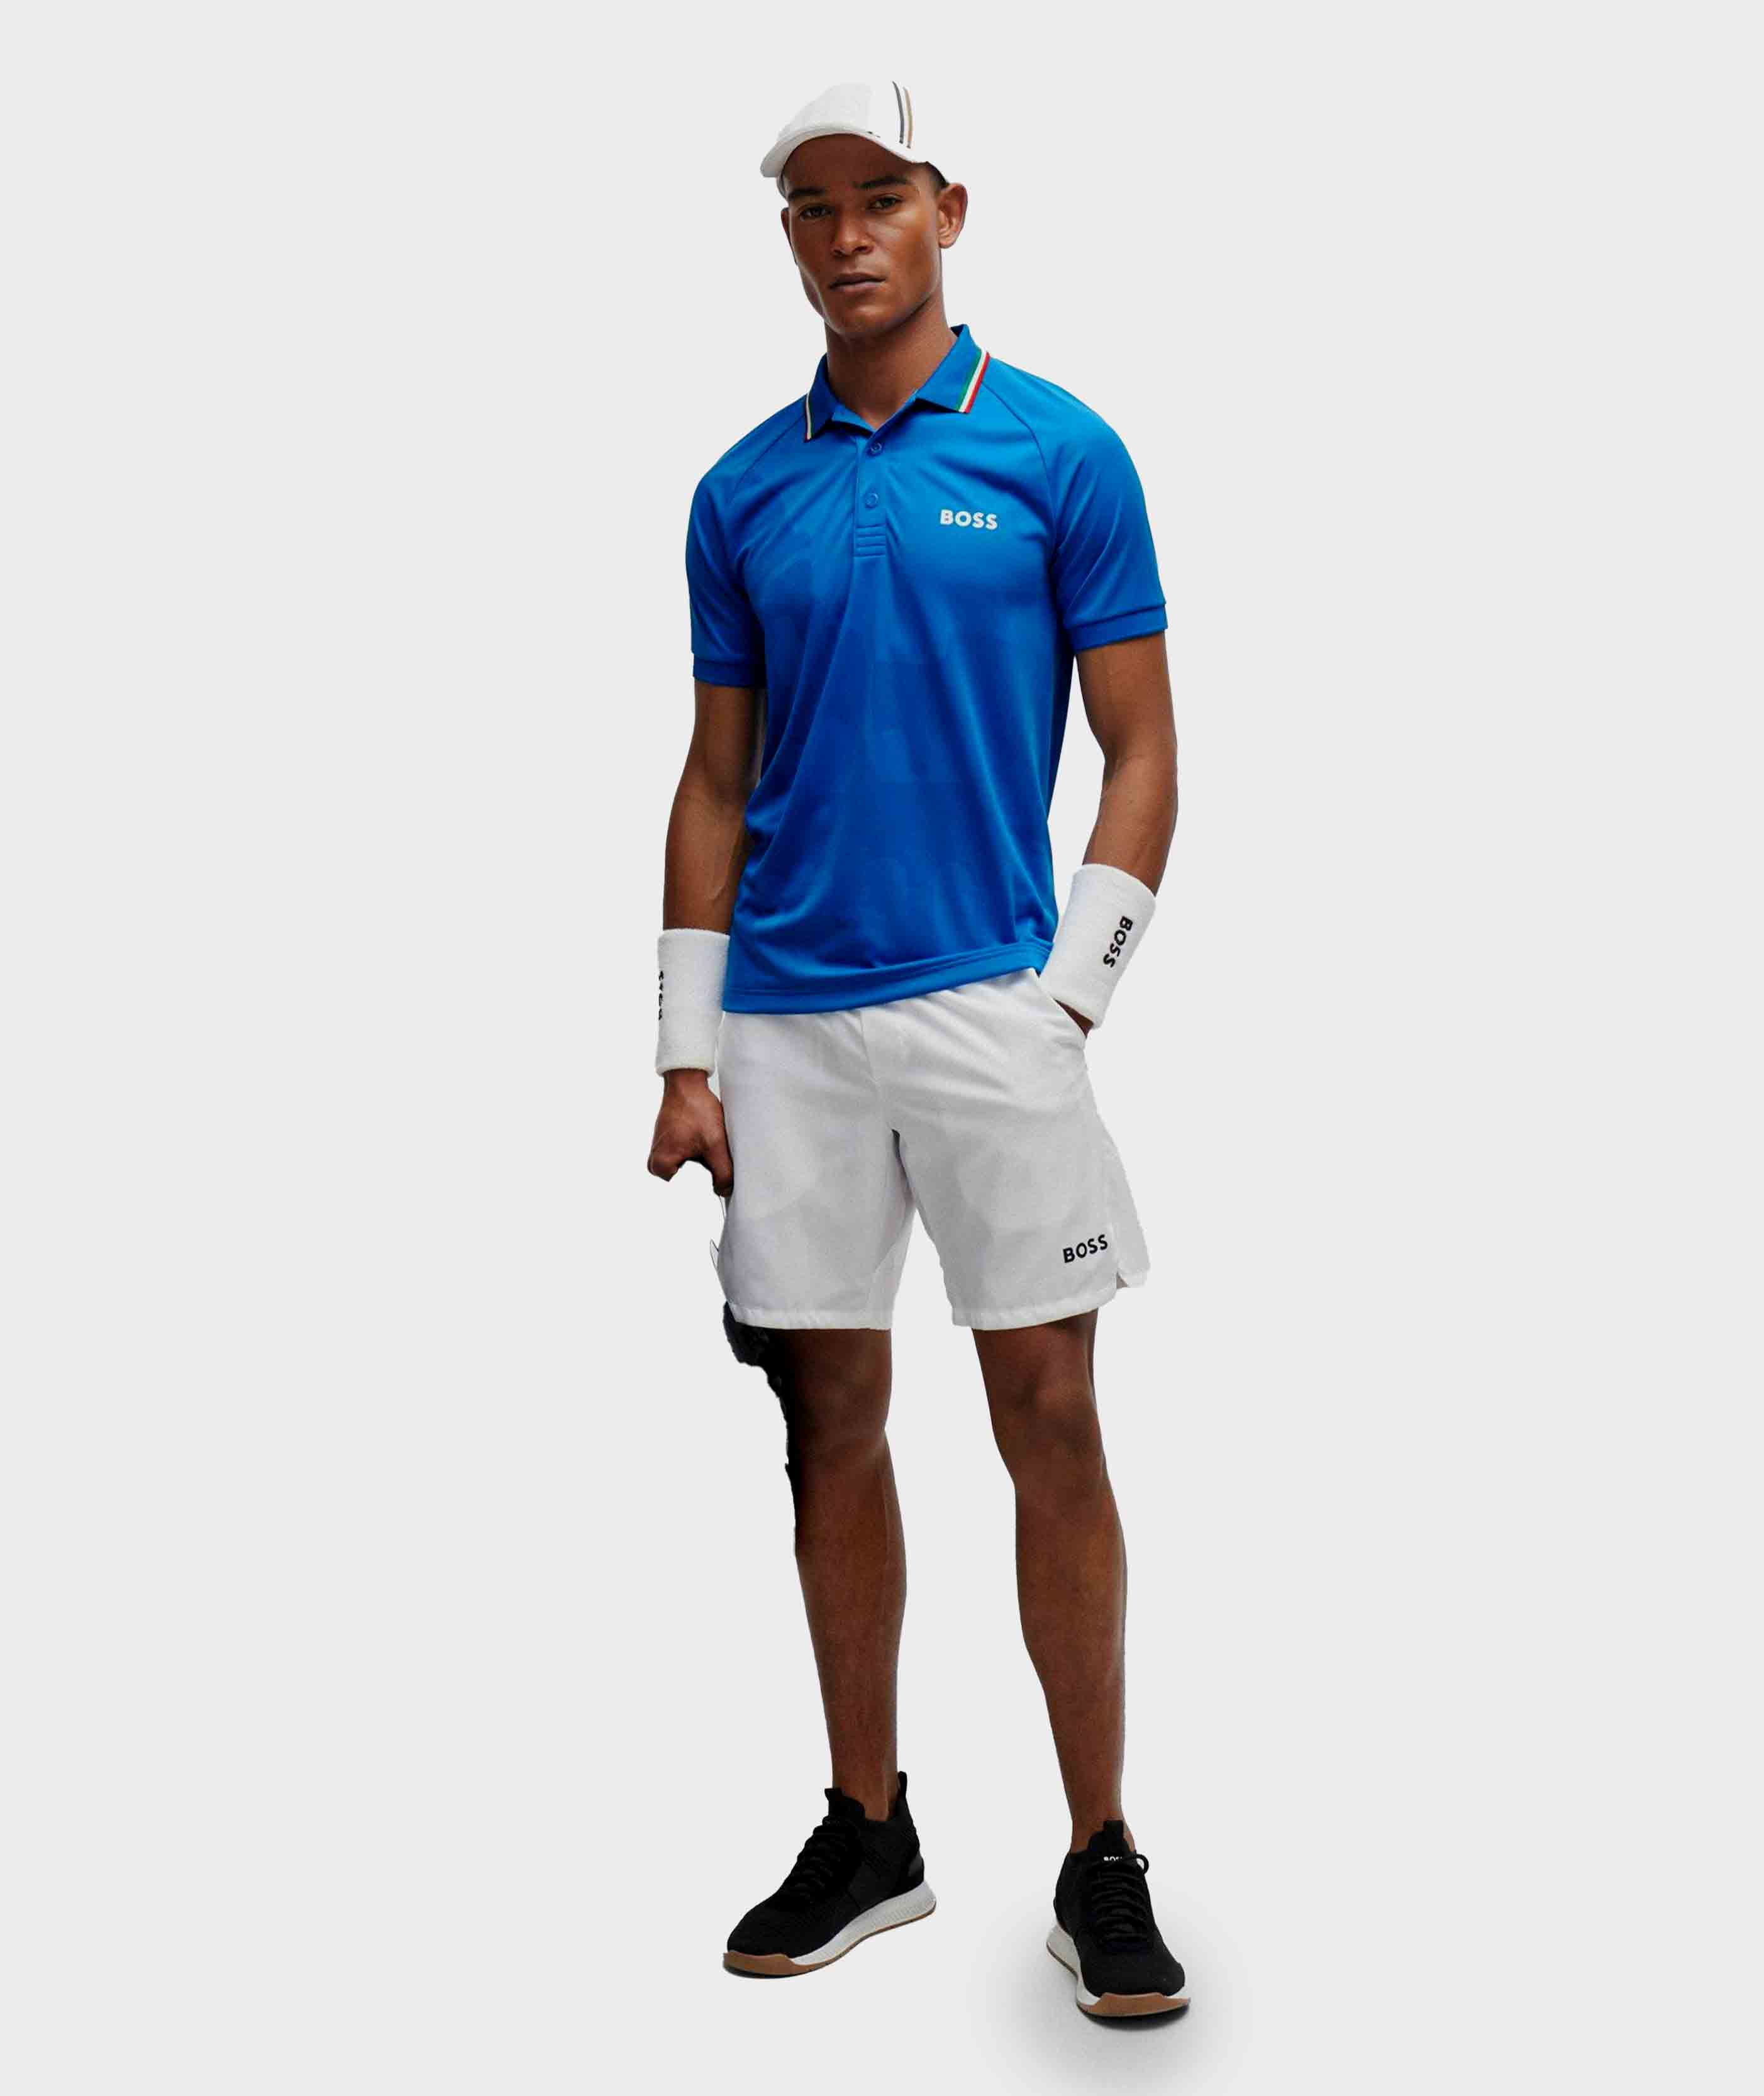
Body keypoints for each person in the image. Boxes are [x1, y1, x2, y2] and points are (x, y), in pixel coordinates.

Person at [647, 80, 1188, 2019]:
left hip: (988, 1007)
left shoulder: (1060, 451)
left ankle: (1100, 1852)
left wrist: (1074, 994)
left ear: (948, 208)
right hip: (784, 1029)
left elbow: (1143, 746)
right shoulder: (741, 491)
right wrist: (682, 1051)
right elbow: (716, 779)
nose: (847, 234)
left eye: (879, 197)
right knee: (829, 1427)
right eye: (813, 208)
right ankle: (869, 1827)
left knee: (1051, 1417)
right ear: (789, 238)